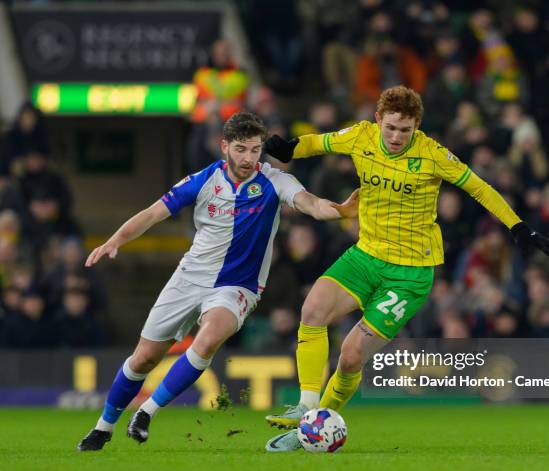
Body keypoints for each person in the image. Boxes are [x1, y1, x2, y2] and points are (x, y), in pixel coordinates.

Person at [263, 85, 549, 452]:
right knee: (312, 309)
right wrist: (290, 148)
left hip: (410, 275)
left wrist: (517, 225)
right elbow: (317, 143)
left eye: (405, 129)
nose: (397, 136)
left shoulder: (433, 154)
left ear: (417, 125)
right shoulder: (360, 136)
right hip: (365, 256)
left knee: (351, 355)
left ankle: (313, 427)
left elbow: (479, 188)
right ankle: (306, 408)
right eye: (391, 128)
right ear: (378, 121)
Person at [76, 112, 359, 451]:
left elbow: (310, 204)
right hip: (189, 277)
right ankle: (103, 428)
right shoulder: (203, 180)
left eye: (256, 150)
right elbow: (153, 213)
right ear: (224, 146)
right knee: (143, 359)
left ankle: (147, 412)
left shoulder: (274, 181)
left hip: (238, 285)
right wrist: (115, 241)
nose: (249, 159)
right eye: (241, 149)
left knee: (208, 339)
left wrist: (340, 210)